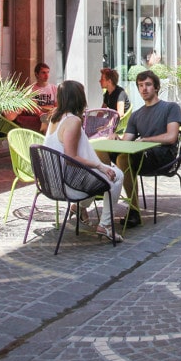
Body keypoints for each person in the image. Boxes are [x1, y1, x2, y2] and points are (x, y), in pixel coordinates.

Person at [43, 80, 125, 242]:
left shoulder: (55, 118)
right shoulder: (73, 121)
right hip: (68, 184)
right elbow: (71, 158)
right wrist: (99, 165)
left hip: (52, 182)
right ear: (79, 98)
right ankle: (106, 225)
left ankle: (78, 207)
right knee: (116, 175)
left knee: (98, 176)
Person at [116, 69, 181, 227]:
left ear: (156, 87)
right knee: (103, 154)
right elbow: (126, 141)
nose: (144, 89)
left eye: (148, 85)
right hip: (141, 156)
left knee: (122, 158)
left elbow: (171, 137)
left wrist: (145, 140)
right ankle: (103, 204)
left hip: (163, 157)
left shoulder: (171, 107)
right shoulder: (136, 115)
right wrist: (116, 139)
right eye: (140, 85)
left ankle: (133, 211)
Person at [5, 63, 57, 132]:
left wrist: (44, 109)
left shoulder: (54, 88)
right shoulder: (30, 90)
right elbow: (29, 107)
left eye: (48, 72)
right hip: (37, 117)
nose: (46, 75)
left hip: (50, 115)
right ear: (36, 74)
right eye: (43, 73)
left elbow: (57, 107)